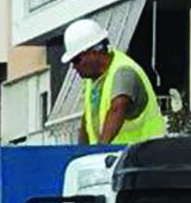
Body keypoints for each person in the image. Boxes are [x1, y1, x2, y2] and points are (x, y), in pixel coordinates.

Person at [61, 17, 166, 146]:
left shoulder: (123, 72)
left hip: (143, 158)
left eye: (76, 60)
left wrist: (100, 150)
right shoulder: (93, 81)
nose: (74, 67)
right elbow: (87, 120)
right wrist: (80, 152)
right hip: (116, 161)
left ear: (94, 52)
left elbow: (117, 109)